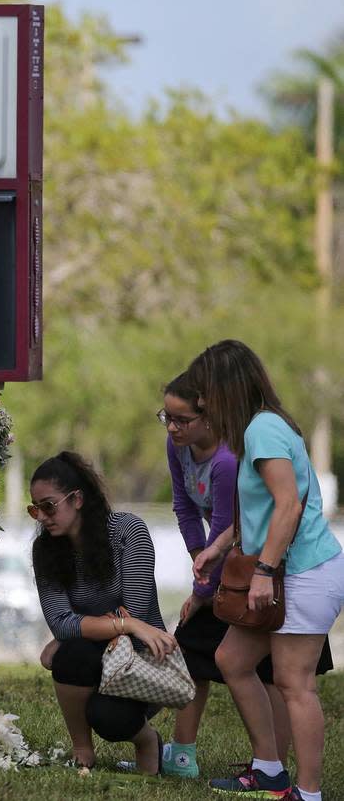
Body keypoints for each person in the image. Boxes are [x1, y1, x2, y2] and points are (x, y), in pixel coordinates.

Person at [188, 340, 343, 801]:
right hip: (280, 570)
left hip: (303, 572)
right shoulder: (257, 429)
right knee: (231, 659)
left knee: (294, 682)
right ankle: (270, 770)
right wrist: (219, 546)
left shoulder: (264, 430)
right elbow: (262, 505)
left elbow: (289, 506)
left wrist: (263, 570)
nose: (202, 403)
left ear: (226, 388)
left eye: (205, 392)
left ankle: (308, 793)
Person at [32, 451, 176, 775]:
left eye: (48, 506)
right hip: (94, 656)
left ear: (77, 499)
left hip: (141, 660)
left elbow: (136, 612)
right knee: (71, 655)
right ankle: (82, 750)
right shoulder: (45, 550)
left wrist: (77, 629)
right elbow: (60, 622)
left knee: (110, 718)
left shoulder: (128, 532)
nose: (41, 516)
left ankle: (148, 740)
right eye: (34, 509)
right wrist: (118, 624)